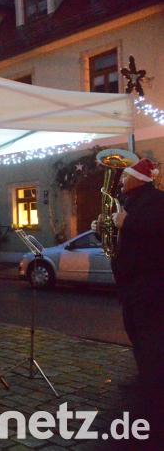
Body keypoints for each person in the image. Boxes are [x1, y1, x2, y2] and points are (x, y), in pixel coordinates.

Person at [108, 158, 164, 390]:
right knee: (133, 328)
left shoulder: (158, 200)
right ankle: (145, 376)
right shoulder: (128, 201)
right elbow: (124, 236)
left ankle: (153, 383)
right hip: (130, 281)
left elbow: (154, 229)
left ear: (138, 179)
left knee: (149, 334)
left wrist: (126, 223)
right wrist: (103, 228)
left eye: (125, 176)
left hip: (150, 281)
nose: (121, 180)